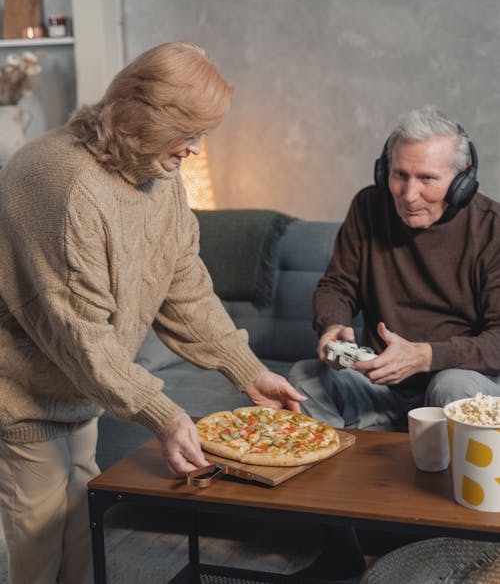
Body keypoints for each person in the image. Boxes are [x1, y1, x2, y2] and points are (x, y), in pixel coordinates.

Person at [0, 41, 306, 584]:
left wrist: (247, 369)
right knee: (40, 534)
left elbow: (182, 281)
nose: (195, 148)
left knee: (80, 523)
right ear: (145, 118)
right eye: (189, 134)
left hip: (83, 387)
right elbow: (81, 337)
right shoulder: (64, 183)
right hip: (25, 391)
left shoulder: (157, 173)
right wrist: (162, 414)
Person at [290, 104, 500, 430]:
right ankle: (337, 472)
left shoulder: (492, 229)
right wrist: (333, 326)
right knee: (306, 378)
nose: (409, 194)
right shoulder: (369, 206)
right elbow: (337, 285)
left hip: (456, 388)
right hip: (379, 385)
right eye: (399, 175)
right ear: (383, 170)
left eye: (427, 178)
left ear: (463, 181)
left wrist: (426, 356)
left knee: (451, 386)